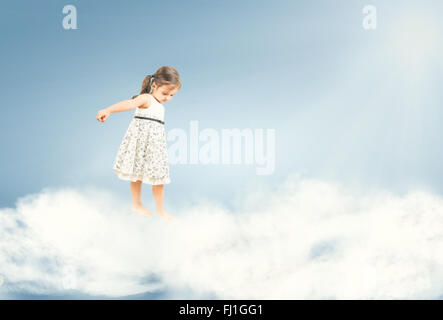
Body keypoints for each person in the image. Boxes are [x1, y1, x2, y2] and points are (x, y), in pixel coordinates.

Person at [96, 66, 181, 222]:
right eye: (165, 93)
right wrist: (108, 110)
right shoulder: (146, 99)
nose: (167, 98)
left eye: (172, 95)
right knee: (136, 174)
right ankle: (136, 204)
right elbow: (129, 104)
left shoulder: (160, 106)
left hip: (154, 147)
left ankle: (160, 209)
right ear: (154, 85)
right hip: (141, 145)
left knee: (159, 178)